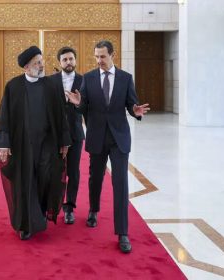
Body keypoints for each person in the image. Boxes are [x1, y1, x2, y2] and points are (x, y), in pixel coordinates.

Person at [66, 40, 150, 253]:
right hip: (96, 136)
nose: (99, 60)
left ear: (113, 55)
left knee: (120, 183)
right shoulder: (89, 78)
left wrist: (135, 110)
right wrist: (77, 103)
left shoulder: (125, 78)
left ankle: (122, 232)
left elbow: (132, 104)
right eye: (96, 56)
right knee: (95, 178)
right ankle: (94, 210)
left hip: (119, 138)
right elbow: (84, 105)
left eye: (102, 56)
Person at [0, 46, 71, 240]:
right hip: (23, 146)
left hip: (47, 144)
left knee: (45, 178)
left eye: (42, 61)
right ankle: (27, 224)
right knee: (26, 181)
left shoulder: (51, 86)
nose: (41, 65)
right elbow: (4, 116)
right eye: (37, 63)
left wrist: (64, 142)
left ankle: (42, 212)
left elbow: (61, 115)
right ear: (26, 67)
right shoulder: (14, 86)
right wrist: (3, 144)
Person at [49, 47, 83, 225]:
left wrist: (78, 104)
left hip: (76, 134)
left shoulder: (84, 80)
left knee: (73, 172)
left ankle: (69, 208)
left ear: (75, 60)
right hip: (55, 135)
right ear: (59, 62)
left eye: (71, 59)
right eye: (65, 60)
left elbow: (88, 107)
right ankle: (52, 206)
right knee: (54, 171)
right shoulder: (51, 81)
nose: (68, 62)